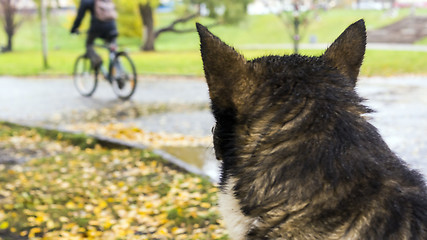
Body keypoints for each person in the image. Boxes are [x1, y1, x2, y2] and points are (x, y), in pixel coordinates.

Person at [70, 0, 118, 69]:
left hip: (97, 27)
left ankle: (96, 59)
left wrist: (74, 28)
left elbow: (80, 16)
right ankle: (119, 70)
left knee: (89, 44)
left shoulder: (86, 1)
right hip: (112, 26)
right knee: (113, 48)